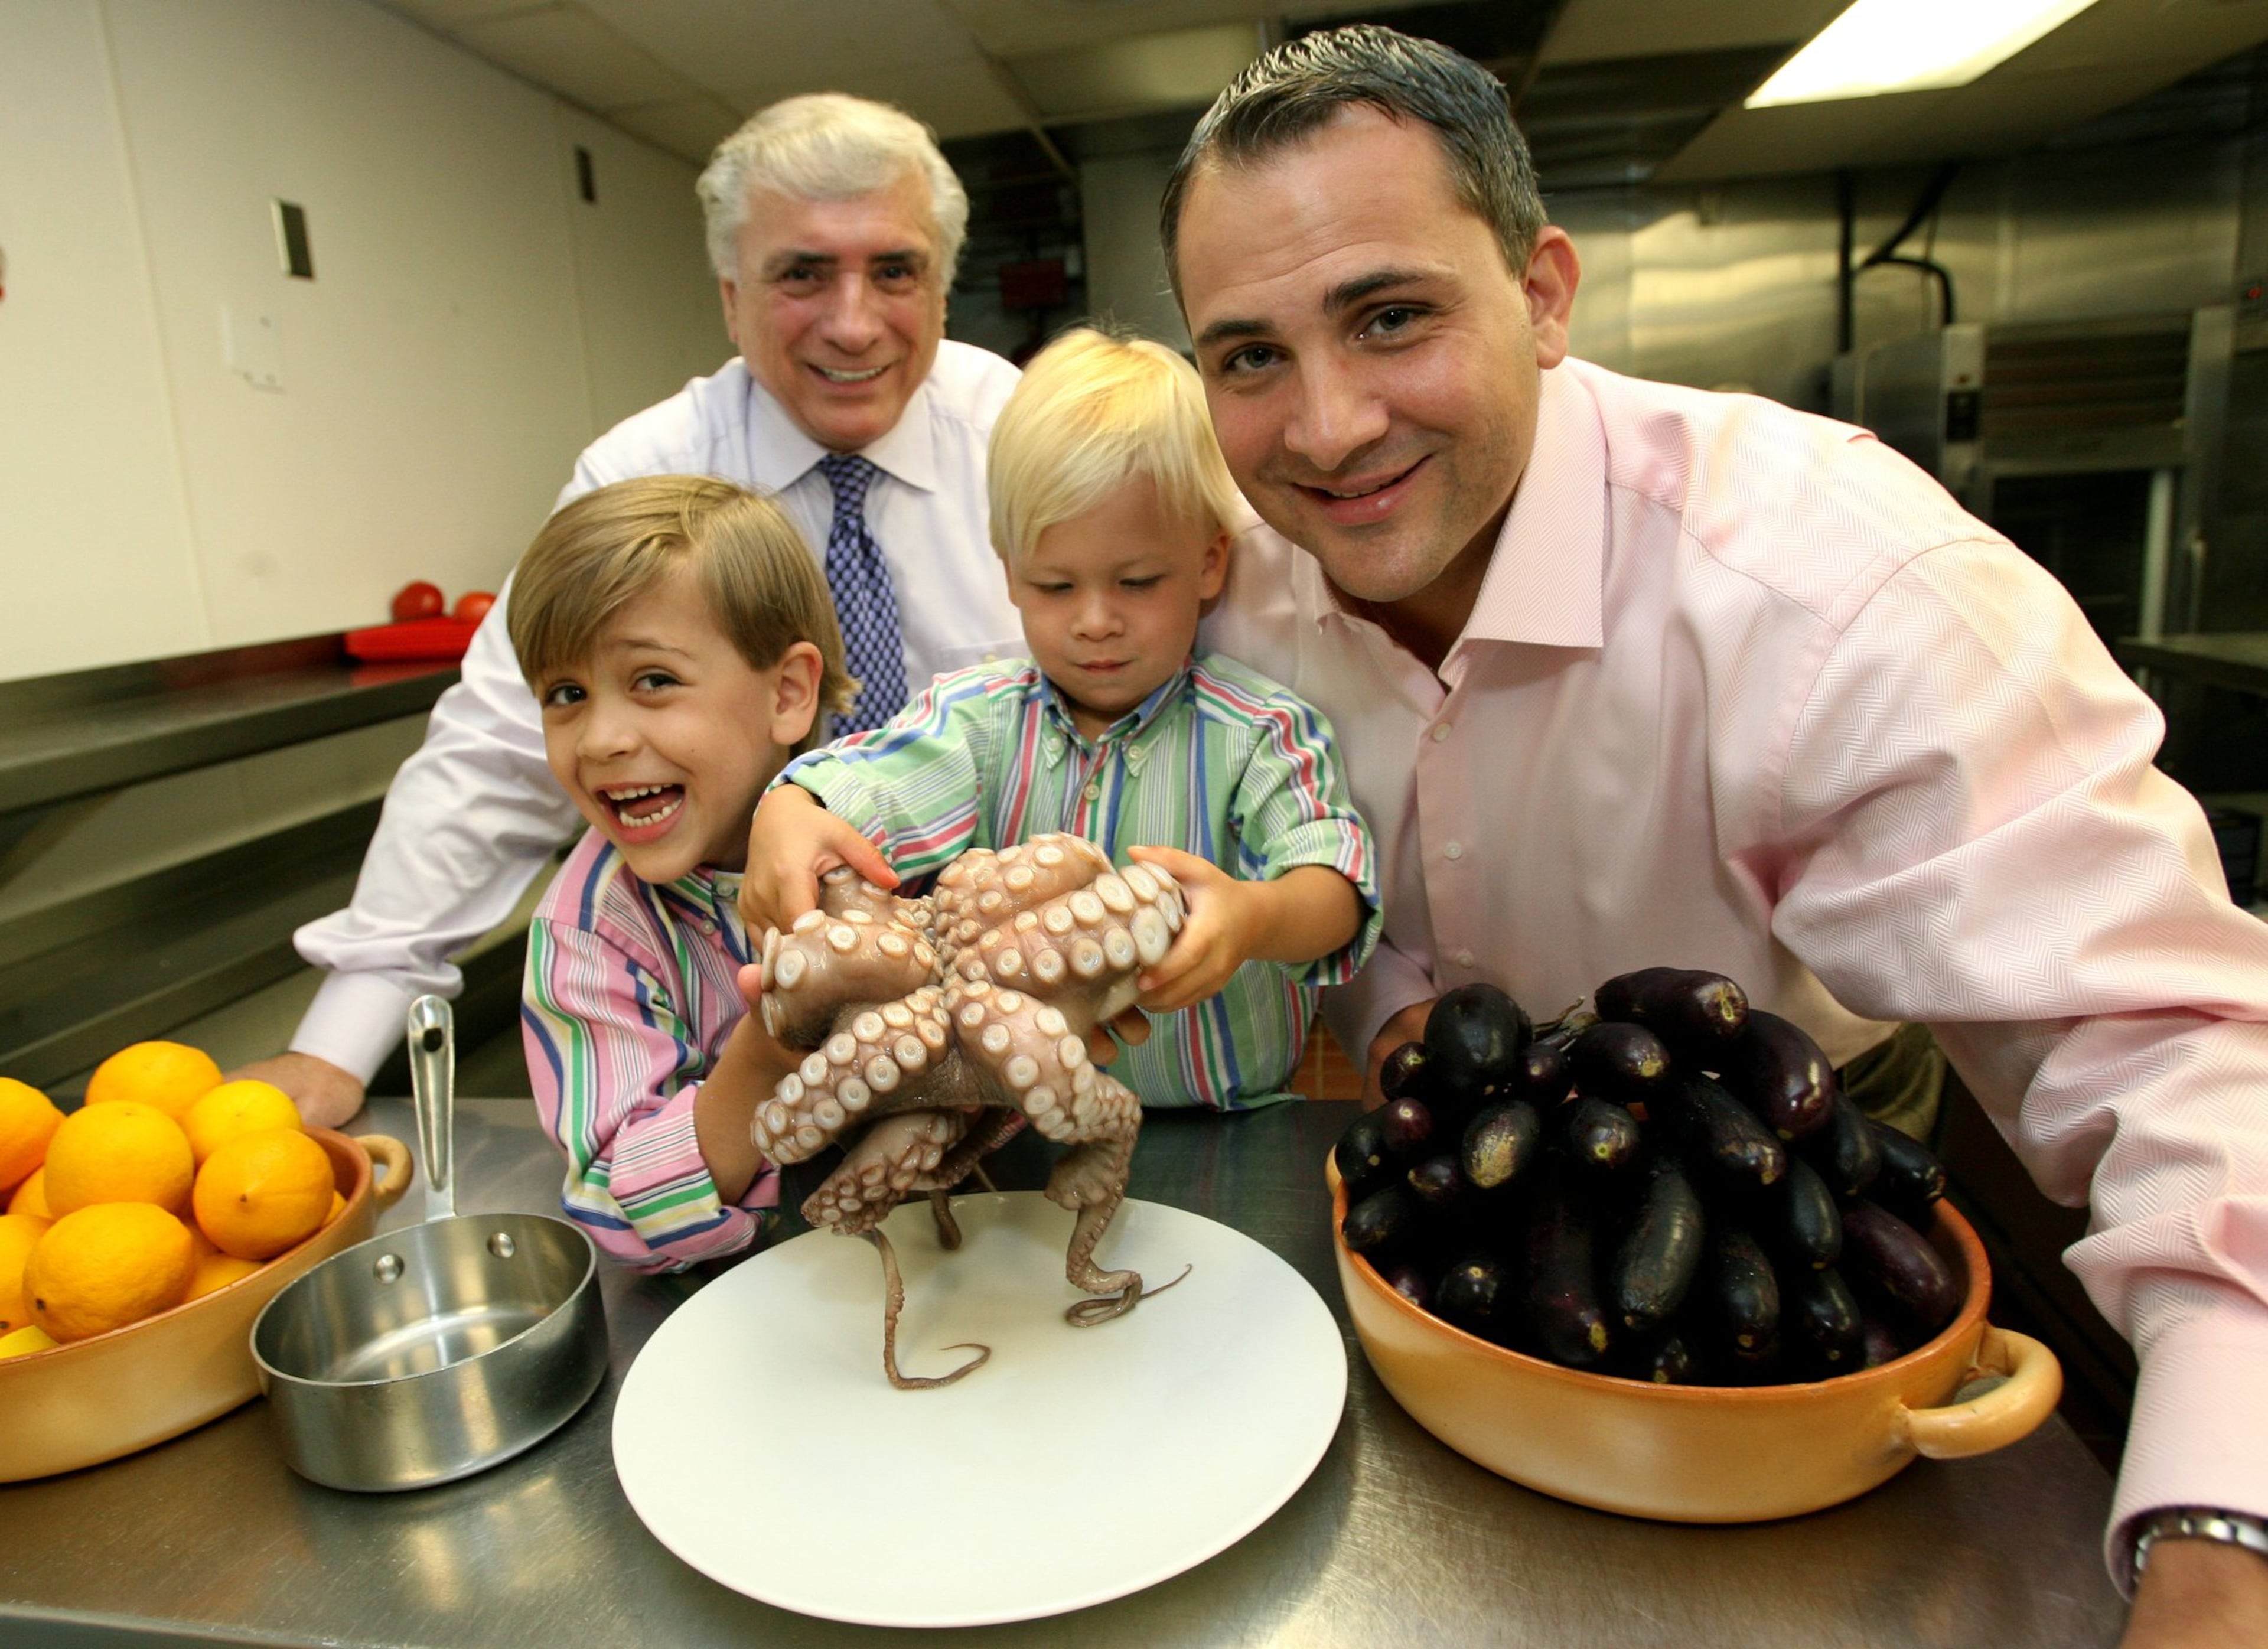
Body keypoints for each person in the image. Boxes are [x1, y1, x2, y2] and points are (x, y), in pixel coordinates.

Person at [1162, 24, 2268, 1640]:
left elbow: (2182, 1052)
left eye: (1390, 318)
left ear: (1543, 294)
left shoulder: (1836, 588)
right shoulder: (1218, 585)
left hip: (1772, 1183)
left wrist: (2221, 1540)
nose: (1324, 431)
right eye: (1248, 356)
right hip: (1419, 1216)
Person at [236, 93, 1024, 1126]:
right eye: (801, 274)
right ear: (731, 298)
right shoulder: (644, 473)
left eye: (895, 271)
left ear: (942, 286)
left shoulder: (1020, 441)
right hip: (734, 1049)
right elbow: (497, 751)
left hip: (1003, 1023)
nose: (853, 321)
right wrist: (339, 1038)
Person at [740, 327, 1380, 1109]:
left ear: (1210, 562)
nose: (1096, 621)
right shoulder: (973, 722)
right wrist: (793, 807)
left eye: (1138, 582)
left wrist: (1255, 916)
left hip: (1229, 1122)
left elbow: (1337, 887)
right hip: (1024, 1128)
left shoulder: (1263, 732)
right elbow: (872, 784)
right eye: (1055, 586)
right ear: (1008, 572)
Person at [513, 477, 847, 1269]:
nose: (600, 739)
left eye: (652, 681)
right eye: (566, 694)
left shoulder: (882, 828)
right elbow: (616, 1202)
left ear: (789, 694)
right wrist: (764, 1059)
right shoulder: (589, 933)